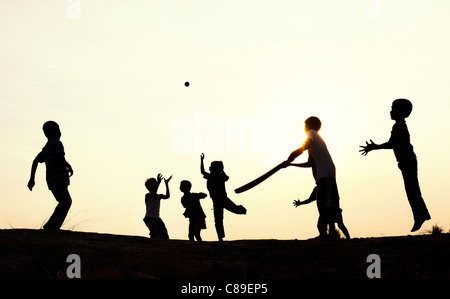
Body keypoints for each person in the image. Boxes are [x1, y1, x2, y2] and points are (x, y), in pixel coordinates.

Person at [360, 98, 431, 232]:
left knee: (412, 190)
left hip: (408, 161)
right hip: (406, 161)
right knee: (412, 190)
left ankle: (420, 216)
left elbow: (392, 143)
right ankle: (421, 215)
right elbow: (393, 143)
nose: (390, 111)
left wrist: (375, 147)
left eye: (393, 109)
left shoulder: (399, 126)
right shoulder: (398, 126)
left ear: (401, 112)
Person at [283, 116, 349, 239]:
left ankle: (332, 234)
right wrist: (291, 164)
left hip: (326, 173)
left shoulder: (311, 133)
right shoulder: (314, 140)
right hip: (322, 176)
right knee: (322, 204)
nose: (304, 128)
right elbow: (310, 163)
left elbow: (306, 145)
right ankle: (323, 234)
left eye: (304, 125)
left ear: (309, 125)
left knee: (328, 204)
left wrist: (291, 157)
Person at [27, 121, 73, 230]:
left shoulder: (47, 147)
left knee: (63, 201)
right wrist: (68, 165)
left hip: (51, 179)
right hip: (59, 178)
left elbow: (35, 161)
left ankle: (52, 225)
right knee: (66, 201)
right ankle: (52, 226)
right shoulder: (57, 144)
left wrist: (32, 179)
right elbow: (60, 157)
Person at [200, 153, 246, 241]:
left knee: (236, 210)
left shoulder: (221, 176)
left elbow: (226, 178)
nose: (209, 167)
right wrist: (202, 161)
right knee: (218, 220)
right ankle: (220, 237)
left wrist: (221, 169)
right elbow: (202, 171)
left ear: (216, 168)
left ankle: (242, 210)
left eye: (211, 166)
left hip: (223, 199)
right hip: (216, 201)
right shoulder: (210, 177)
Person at [143, 174, 172, 239]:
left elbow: (167, 196)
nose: (155, 184)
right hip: (149, 218)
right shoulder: (147, 195)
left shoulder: (159, 196)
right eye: (153, 183)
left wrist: (166, 184)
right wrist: (158, 182)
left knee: (164, 234)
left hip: (157, 218)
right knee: (154, 232)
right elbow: (153, 193)